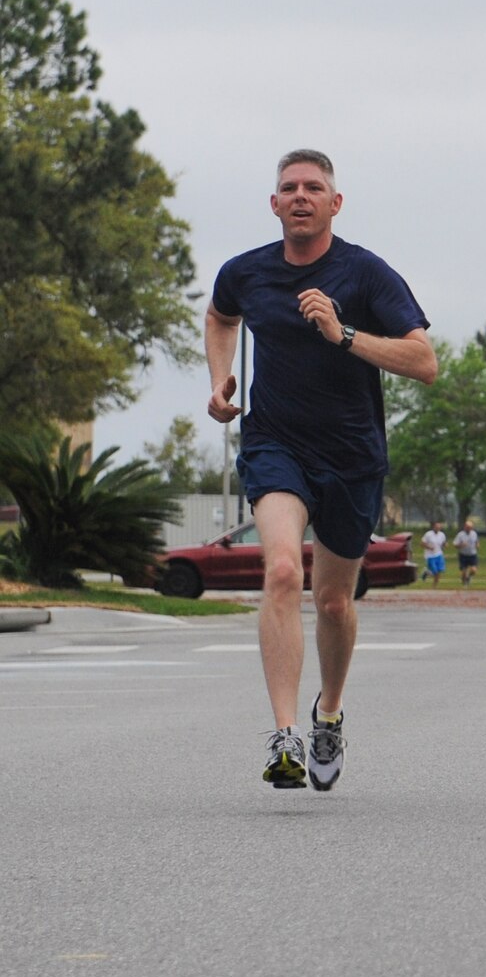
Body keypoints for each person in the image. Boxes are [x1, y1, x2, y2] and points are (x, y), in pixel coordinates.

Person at [204, 148, 437, 791]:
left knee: (333, 600)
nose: (300, 196)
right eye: (289, 188)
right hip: (275, 443)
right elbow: (221, 316)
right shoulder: (245, 273)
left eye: (314, 188)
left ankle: (327, 711)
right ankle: (284, 736)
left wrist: (344, 334)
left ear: (335, 204)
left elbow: (424, 361)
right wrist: (220, 378)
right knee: (281, 570)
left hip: (352, 455)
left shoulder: (367, 274)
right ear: (274, 205)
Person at [453, 518, 481, 586]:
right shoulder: (460, 534)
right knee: (463, 572)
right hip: (463, 555)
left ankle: (469, 577)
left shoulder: (474, 533)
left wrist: (477, 545)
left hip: (472, 554)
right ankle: (464, 583)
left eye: (470, 527)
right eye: (467, 527)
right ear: (465, 527)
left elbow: (477, 541)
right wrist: (461, 545)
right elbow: (455, 544)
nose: (469, 528)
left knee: (474, 570)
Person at [421, 520, 447, 588]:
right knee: (434, 572)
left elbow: (443, 543)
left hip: (439, 554)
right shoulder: (428, 534)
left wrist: (445, 545)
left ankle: (434, 586)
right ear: (433, 527)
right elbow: (422, 544)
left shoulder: (442, 535)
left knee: (439, 571)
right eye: (436, 527)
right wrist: (429, 547)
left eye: (439, 527)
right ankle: (426, 572)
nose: (438, 528)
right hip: (430, 556)